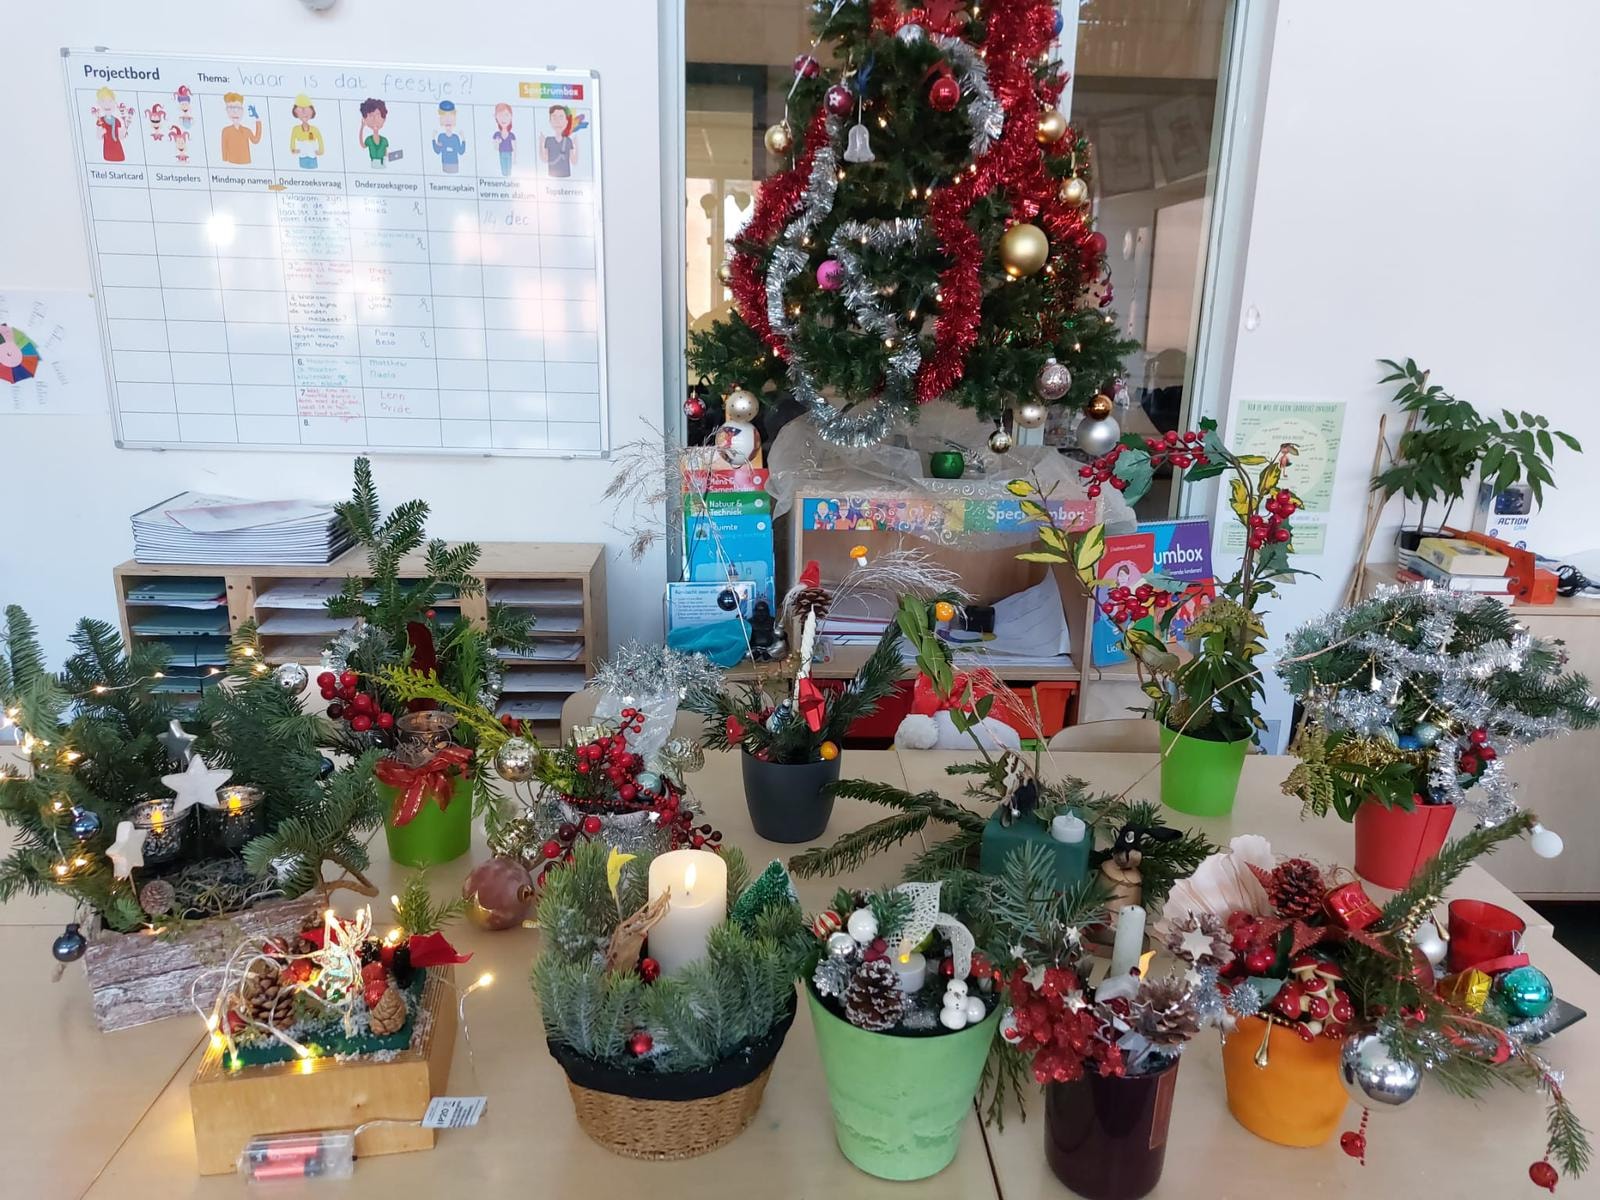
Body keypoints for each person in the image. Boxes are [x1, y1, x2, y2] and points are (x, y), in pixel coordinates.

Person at [219, 92, 263, 165]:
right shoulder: (226, 131)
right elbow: (224, 150)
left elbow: (255, 140)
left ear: (242, 110)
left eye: (238, 108)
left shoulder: (246, 130)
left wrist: (257, 118)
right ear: (226, 110)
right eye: (230, 108)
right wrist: (225, 164)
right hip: (231, 164)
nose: (235, 112)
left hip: (246, 163)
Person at [542, 104, 580, 178]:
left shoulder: (568, 141)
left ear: (566, 121)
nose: (558, 121)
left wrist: (576, 145)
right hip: (552, 175)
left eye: (561, 117)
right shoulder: (548, 140)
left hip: (566, 175)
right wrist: (541, 143)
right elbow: (545, 159)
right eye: (554, 118)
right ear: (550, 121)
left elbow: (574, 161)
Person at [287, 95, 324, 168]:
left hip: (312, 156)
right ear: (295, 112)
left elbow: (320, 140)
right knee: (302, 169)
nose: (304, 113)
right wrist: (293, 149)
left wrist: (321, 150)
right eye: (301, 110)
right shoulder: (296, 129)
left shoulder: (315, 129)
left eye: (306, 109)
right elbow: (292, 140)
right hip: (302, 156)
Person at [431, 100, 465, 174]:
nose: (447, 119)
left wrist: (463, 139)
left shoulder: (455, 137)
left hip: (454, 165)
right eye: (444, 116)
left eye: (450, 116)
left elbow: (461, 151)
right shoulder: (441, 137)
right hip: (445, 165)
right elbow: (437, 151)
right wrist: (433, 138)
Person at [93, 87, 126, 163]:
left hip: (117, 147)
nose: (107, 104)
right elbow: (98, 137)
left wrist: (124, 129)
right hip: (108, 148)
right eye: (103, 101)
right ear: (99, 103)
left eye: (110, 101)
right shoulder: (100, 120)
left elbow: (121, 136)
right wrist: (101, 132)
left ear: (114, 103)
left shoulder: (117, 120)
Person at [358, 98, 389, 168]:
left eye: (378, 115)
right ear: (365, 120)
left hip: (383, 165)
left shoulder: (384, 140)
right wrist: (362, 127)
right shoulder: (369, 139)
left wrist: (390, 158)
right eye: (371, 115)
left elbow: (386, 154)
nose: (375, 118)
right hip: (373, 165)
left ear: (384, 119)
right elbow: (362, 145)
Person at [491, 102, 515, 176]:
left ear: (511, 116)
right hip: (501, 154)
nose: (503, 118)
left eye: (506, 115)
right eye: (500, 115)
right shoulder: (496, 135)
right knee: (503, 170)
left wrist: (515, 158)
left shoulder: (511, 135)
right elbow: (495, 148)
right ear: (496, 117)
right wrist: (497, 143)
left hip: (509, 154)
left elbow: (514, 148)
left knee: (509, 170)